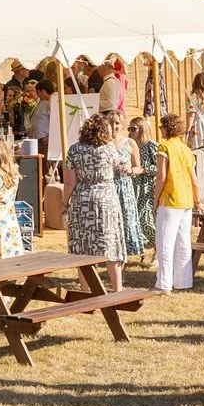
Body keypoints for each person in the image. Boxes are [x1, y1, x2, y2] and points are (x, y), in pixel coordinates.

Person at [63, 110, 129, 291]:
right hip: (106, 198)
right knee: (110, 244)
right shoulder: (109, 148)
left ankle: (86, 292)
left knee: (82, 246)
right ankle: (117, 289)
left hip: (82, 199)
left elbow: (69, 182)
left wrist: (64, 203)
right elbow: (120, 164)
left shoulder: (74, 149)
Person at [152, 117, 198, 291]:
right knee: (183, 242)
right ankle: (184, 281)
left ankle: (163, 284)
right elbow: (194, 180)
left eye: (161, 127)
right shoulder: (187, 150)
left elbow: (161, 176)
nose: (160, 130)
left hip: (170, 199)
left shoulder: (165, 147)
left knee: (165, 242)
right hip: (186, 200)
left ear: (166, 128)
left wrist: (156, 199)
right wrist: (197, 200)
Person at [116, 116, 154, 267]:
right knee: (135, 220)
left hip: (146, 187)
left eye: (134, 129)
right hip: (133, 186)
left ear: (142, 129)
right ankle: (141, 252)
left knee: (147, 221)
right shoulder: (128, 144)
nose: (131, 132)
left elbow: (158, 168)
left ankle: (155, 252)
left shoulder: (151, 146)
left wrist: (142, 170)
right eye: (129, 129)